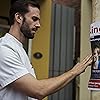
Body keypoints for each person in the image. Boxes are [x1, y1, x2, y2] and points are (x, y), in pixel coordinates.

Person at [0, 0, 93, 100]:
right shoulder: (4, 50)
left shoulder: (18, 48)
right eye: (34, 19)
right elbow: (38, 90)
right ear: (18, 17)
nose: (38, 25)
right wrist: (74, 71)